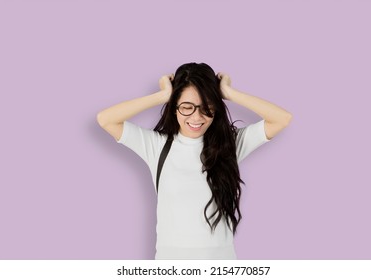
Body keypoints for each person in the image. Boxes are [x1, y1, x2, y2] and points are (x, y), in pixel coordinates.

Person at [97, 62, 292, 259]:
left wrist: (229, 93)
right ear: (174, 108)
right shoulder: (157, 146)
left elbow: (282, 119)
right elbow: (106, 119)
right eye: (186, 107)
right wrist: (162, 96)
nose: (196, 117)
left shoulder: (229, 145)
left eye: (206, 107)